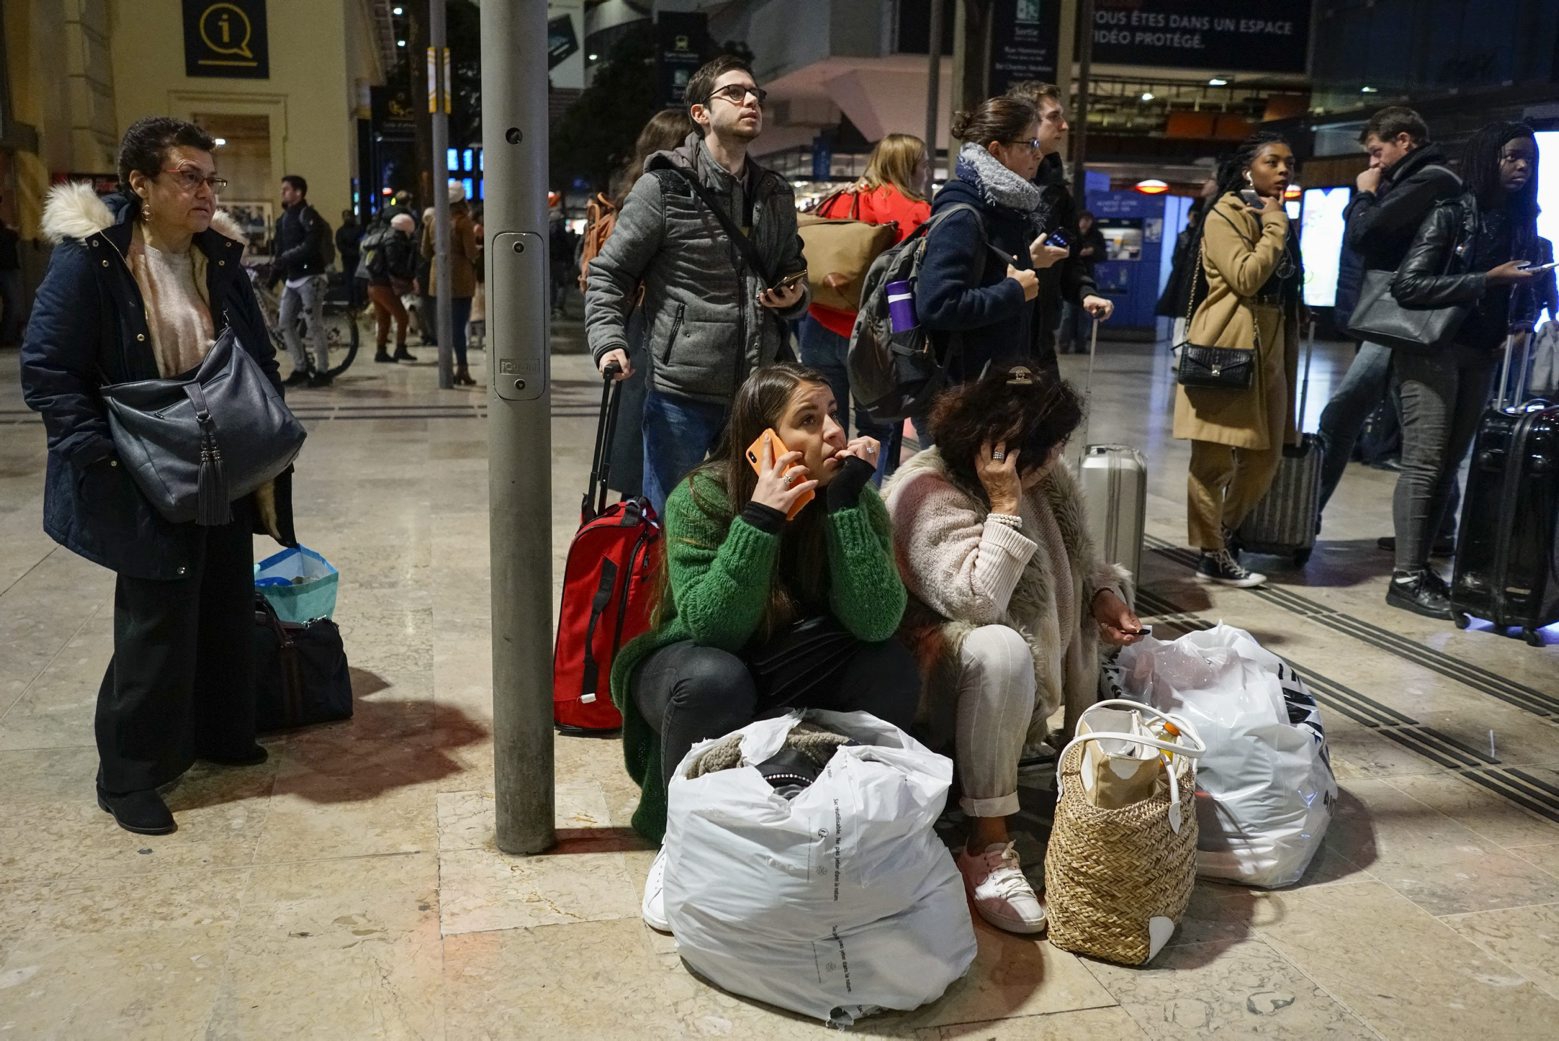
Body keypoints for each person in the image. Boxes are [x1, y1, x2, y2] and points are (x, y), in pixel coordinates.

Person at [19, 116, 296, 835]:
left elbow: (255, 355)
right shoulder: (95, 260)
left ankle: (219, 734)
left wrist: (267, 428)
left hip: (219, 460)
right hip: (139, 459)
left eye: (211, 178)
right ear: (139, 185)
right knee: (157, 620)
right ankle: (129, 775)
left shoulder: (219, 257)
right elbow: (49, 371)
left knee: (226, 601)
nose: (205, 191)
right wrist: (101, 458)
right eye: (188, 176)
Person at [613, 363, 920, 931]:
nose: (833, 430)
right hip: (693, 665)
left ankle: (849, 827)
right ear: (764, 443)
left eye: (834, 413)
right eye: (809, 419)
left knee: (890, 667)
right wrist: (761, 517)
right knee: (714, 678)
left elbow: (876, 621)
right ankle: (680, 845)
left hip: (790, 666)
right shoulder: (702, 496)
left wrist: (846, 505)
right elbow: (714, 627)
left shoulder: (851, 498)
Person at [884, 364, 1139, 934]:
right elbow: (976, 599)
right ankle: (987, 844)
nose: (1060, 456)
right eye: (1052, 446)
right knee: (1000, 648)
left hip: (1007, 696)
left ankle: (1074, 771)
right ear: (1001, 451)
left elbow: (1070, 560)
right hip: (936, 690)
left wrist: (1101, 592)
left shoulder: (1043, 477)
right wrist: (1002, 507)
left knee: (1016, 651)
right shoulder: (925, 493)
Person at [586, 55, 810, 515]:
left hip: (756, 393)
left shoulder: (774, 192)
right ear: (700, 114)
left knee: (754, 522)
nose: (751, 100)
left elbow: (793, 267)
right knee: (673, 526)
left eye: (755, 94)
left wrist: (794, 297)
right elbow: (610, 273)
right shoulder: (665, 188)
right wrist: (608, 341)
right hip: (680, 395)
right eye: (734, 92)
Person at [1385, 122, 1540, 618]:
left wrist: (1519, 318)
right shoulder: (1452, 214)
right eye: (1512, 156)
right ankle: (1405, 577)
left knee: (1449, 466)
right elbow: (1408, 285)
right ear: (1486, 159)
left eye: (1529, 160)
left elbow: (1518, 295)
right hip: (1431, 351)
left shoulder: (1522, 222)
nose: (1522, 167)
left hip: (1480, 354)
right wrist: (1485, 279)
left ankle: (1421, 567)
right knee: (1424, 464)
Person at [1317, 108, 1464, 545]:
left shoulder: (1430, 180)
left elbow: (1366, 234)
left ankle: (1303, 518)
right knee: (1408, 434)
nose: (1373, 163)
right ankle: (1439, 530)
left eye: (1377, 152)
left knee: (1342, 416)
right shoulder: (1417, 181)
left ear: (1404, 140)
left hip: (1404, 320)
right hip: (1398, 320)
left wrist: (1363, 194)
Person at [1174, 132, 1303, 588]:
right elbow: (1246, 276)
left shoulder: (1276, 213)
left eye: (1289, 161)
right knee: (1212, 460)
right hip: (1227, 341)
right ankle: (1212, 552)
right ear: (1249, 169)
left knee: (1267, 456)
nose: (1284, 170)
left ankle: (1223, 533)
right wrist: (1275, 226)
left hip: (1272, 341)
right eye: (1273, 161)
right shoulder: (1225, 213)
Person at [797, 132, 931, 478]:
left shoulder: (836, 200)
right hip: (875, 338)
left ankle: (825, 509)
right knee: (878, 431)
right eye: (924, 164)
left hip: (818, 326)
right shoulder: (917, 212)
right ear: (910, 167)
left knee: (824, 427)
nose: (927, 171)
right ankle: (867, 512)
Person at [915, 95, 1057, 390]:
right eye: (1028, 144)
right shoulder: (965, 214)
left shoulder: (1005, 208)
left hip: (996, 383)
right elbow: (937, 304)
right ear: (997, 151)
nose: (1038, 153)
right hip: (964, 391)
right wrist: (1014, 292)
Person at [600, 108, 699, 501]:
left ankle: (639, 529)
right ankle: (647, 538)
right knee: (649, 444)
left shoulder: (628, 195)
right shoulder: (659, 197)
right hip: (652, 327)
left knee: (637, 445)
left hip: (637, 326)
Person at [1004, 82, 1114, 367]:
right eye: (1054, 117)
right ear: (1027, 122)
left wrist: (1085, 293)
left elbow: (1068, 256)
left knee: (1051, 411)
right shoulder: (994, 188)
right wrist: (1029, 261)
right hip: (999, 337)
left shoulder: (1057, 192)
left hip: (1041, 337)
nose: (1064, 126)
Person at [271, 174, 334, 387]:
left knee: (313, 325)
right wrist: (273, 276)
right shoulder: (284, 219)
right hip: (292, 279)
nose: (282, 192)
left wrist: (285, 259)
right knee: (285, 324)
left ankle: (323, 371)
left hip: (311, 277)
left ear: (298, 192)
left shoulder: (308, 214)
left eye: (286, 189)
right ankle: (301, 368)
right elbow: (280, 250)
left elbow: (311, 244)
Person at [420, 182, 480, 386]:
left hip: (438, 278)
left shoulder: (433, 221)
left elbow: (425, 252)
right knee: (459, 326)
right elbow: (471, 253)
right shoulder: (463, 223)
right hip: (461, 279)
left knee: (445, 325)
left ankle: (446, 368)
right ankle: (462, 367)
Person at [367, 212, 418, 362]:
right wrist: (410, 276)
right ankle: (400, 348)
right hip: (384, 286)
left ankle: (381, 351)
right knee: (402, 317)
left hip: (373, 284)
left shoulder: (383, 236)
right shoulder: (393, 241)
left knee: (383, 319)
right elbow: (394, 265)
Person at [1056, 210, 1108, 353]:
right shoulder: (1069, 234)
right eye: (1083, 220)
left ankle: (1081, 345)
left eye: (1088, 220)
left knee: (1085, 316)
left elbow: (1103, 255)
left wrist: (1092, 251)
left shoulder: (1096, 236)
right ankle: (1064, 344)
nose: (1085, 223)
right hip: (1069, 281)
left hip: (1087, 278)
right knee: (1067, 315)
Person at [0, 195, 22, 347]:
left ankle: (6, 336)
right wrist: (11, 232)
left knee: (12, 303)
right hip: (5, 265)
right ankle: (6, 337)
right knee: (13, 303)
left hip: (6, 265)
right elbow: (7, 238)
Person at [335, 209, 364, 308]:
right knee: (349, 280)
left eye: (349, 216)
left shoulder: (359, 229)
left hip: (355, 257)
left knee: (356, 280)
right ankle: (351, 301)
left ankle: (358, 301)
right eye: (345, 216)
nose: (347, 218)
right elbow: (340, 245)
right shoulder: (341, 231)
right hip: (348, 258)